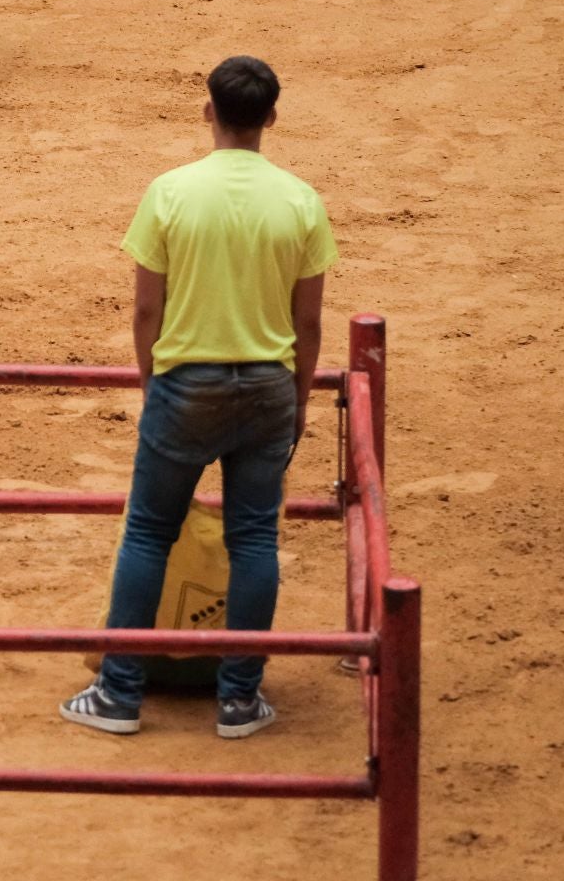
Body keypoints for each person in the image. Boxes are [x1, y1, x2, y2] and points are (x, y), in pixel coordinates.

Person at [60, 55, 337, 739]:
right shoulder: (301, 201)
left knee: (150, 532)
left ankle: (119, 693)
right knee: (254, 538)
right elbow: (307, 323)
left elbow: (145, 312)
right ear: (272, 117)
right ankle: (239, 699)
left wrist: (152, 383)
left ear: (209, 111)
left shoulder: (170, 192)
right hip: (269, 386)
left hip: (185, 384)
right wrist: (299, 399)